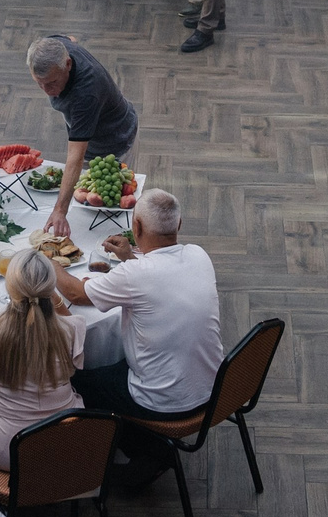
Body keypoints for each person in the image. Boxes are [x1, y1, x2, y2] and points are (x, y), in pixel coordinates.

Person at [62, 188, 220, 474]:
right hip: (213, 389)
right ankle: (146, 448)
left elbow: (75, 293)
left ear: (136, 227)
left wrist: (44, 263)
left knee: (76, 382)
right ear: (179, 224)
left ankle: (135, 456)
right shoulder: (199, 255)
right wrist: (131, 258)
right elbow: (159, 281)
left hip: (162, 401)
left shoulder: (135, 275)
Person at [0, 249, 83, 470]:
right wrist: (49, 294)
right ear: (50, 287)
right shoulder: (74, 328)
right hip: (65, 442)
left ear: (10, 286)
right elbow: (64, 321)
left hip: (5, 449)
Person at [28, 35, 138, 238]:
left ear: (68, 64)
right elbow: (70, 38)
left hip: (113, 140)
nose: (47, 91)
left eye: (52, 82)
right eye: (39, 83)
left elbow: (76, 157)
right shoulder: (54, 45)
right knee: (85, 200)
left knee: (109, 210)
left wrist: (60, 211)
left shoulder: (86, 94)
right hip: (90, 128)